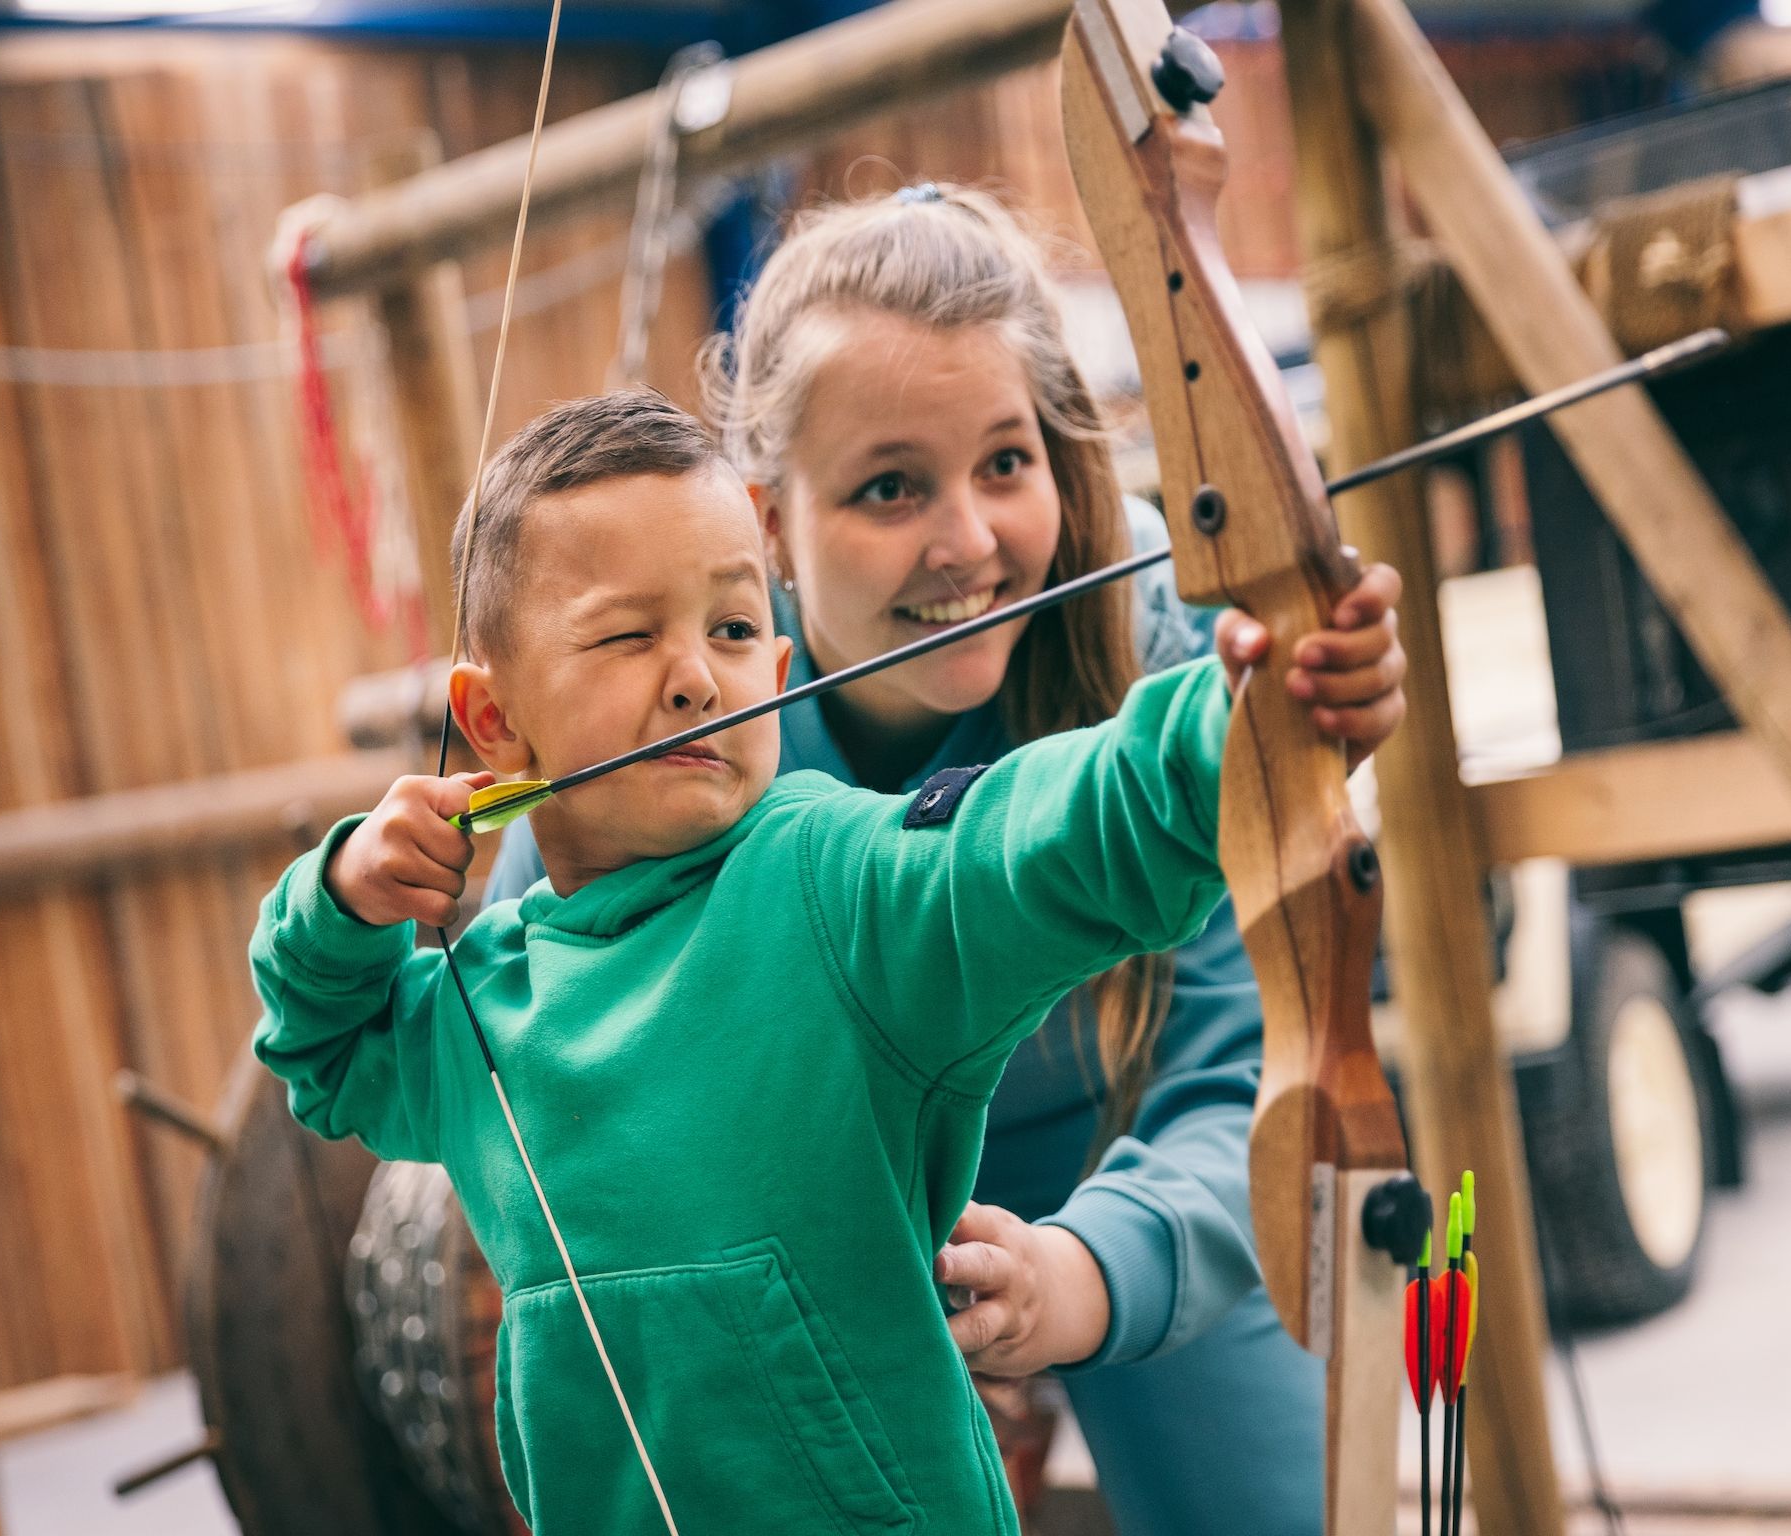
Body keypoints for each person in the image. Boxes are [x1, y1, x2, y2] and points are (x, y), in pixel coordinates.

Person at [483, 185, 1408, 1534]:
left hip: (1128, 1177)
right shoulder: (668, 717)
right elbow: (541, 1084)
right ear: (767, 522)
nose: (967, 542)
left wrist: (1079, 1278)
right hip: (795, 1248)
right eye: (889, 487)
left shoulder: (1157, 633)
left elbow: (1248, 1079)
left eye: (1005, 464)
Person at [250, 388, 1291, 1534]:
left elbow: (1036, 838)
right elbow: (324, 1054)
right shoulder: (479, 1003)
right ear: (491, 723)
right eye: (627, 635)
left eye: (734, 630)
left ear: (782, 671)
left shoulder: (833, 882)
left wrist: (1237, 722)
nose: (696, 676)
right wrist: (340, 895)